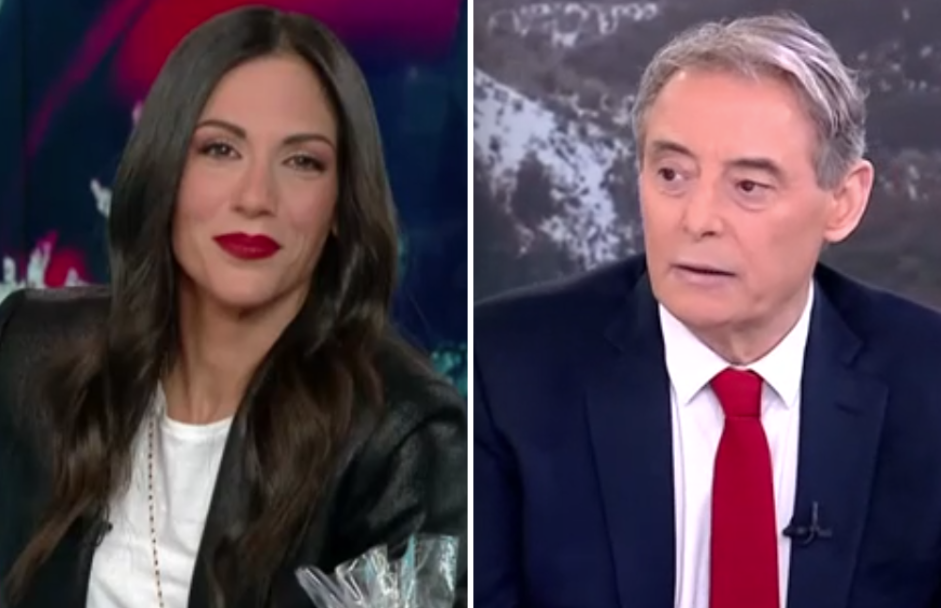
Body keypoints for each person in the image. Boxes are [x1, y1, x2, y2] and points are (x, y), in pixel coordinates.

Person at [0, 6, 466, 608]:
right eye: (220, 149)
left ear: (340, 205)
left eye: (302, 162)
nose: (255, 198)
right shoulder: (27, 356)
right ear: (166, 171)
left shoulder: (405, 444)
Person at [475, 12, 941, 608]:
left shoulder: (926, 382)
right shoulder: (508, 374)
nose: (697, 220)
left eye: (748, 186)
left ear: (843, 202)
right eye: (672, 175)